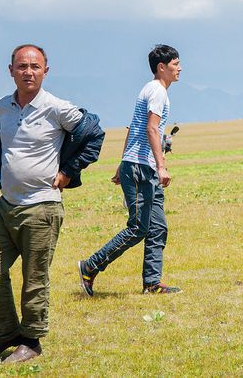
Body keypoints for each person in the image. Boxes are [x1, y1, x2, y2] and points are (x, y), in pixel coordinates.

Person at [0, 44, 103, 363]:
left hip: (42, 206)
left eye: (35, 66)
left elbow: (94, 134)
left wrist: (68, 173)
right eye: (21, 66)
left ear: (46, 70)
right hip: (6, 205)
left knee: (34, 278)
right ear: (11, 71)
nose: (28, 72)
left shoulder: (56, 108)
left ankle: (31, 341)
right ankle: (7, 333)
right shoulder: (2, 107)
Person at [78, 45, 183, 297]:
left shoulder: (154, 90)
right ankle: (90, 266)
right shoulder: (157, 91)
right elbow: (150, 128)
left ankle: (152, 283)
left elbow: (133, 128)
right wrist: (161, 166)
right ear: (162, 67)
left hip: (138, 165)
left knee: (157, 227)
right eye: (175, 64)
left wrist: (121, 162)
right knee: (138, 227)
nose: (180, 68)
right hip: (141, 168)